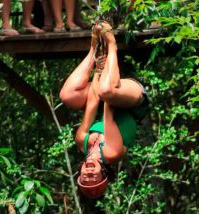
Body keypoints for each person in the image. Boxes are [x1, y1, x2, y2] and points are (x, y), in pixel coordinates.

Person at [59, 21, 149, 198]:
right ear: (104, 173)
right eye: (94, 178)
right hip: (131, 103)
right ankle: (112, 44)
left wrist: (99, 66)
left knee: (67, 95)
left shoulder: (81, 142)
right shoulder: (112, 153)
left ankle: (93, 49)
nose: (89, 174)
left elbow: (92, 103)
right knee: (107, 91)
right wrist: (108, 53)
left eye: (86, 178)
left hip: (105, 94)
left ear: (81, 170)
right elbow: (109, 110)